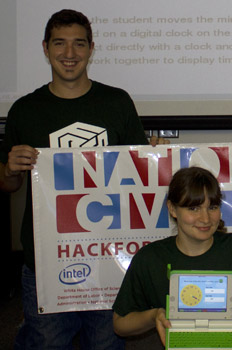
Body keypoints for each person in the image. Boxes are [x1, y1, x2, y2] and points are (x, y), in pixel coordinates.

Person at [0, 9, 167, 349]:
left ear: (92, 49)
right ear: (45, 48)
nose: (69, 54)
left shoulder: (116, 102)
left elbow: (138, 176)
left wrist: (155, 157)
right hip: (45, 258)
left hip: (109, 255)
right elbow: (9, 185)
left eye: (79, 44)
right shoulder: (24, 109)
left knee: (107, 342)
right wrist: (9, 169)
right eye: (60, 44)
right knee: (47, 342)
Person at [112, 166, 232, 349]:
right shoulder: (151, 259)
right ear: (172, 209)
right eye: (194, 208)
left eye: (212, 207)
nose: (205, 218)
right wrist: (154, 316)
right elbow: (120, 323)